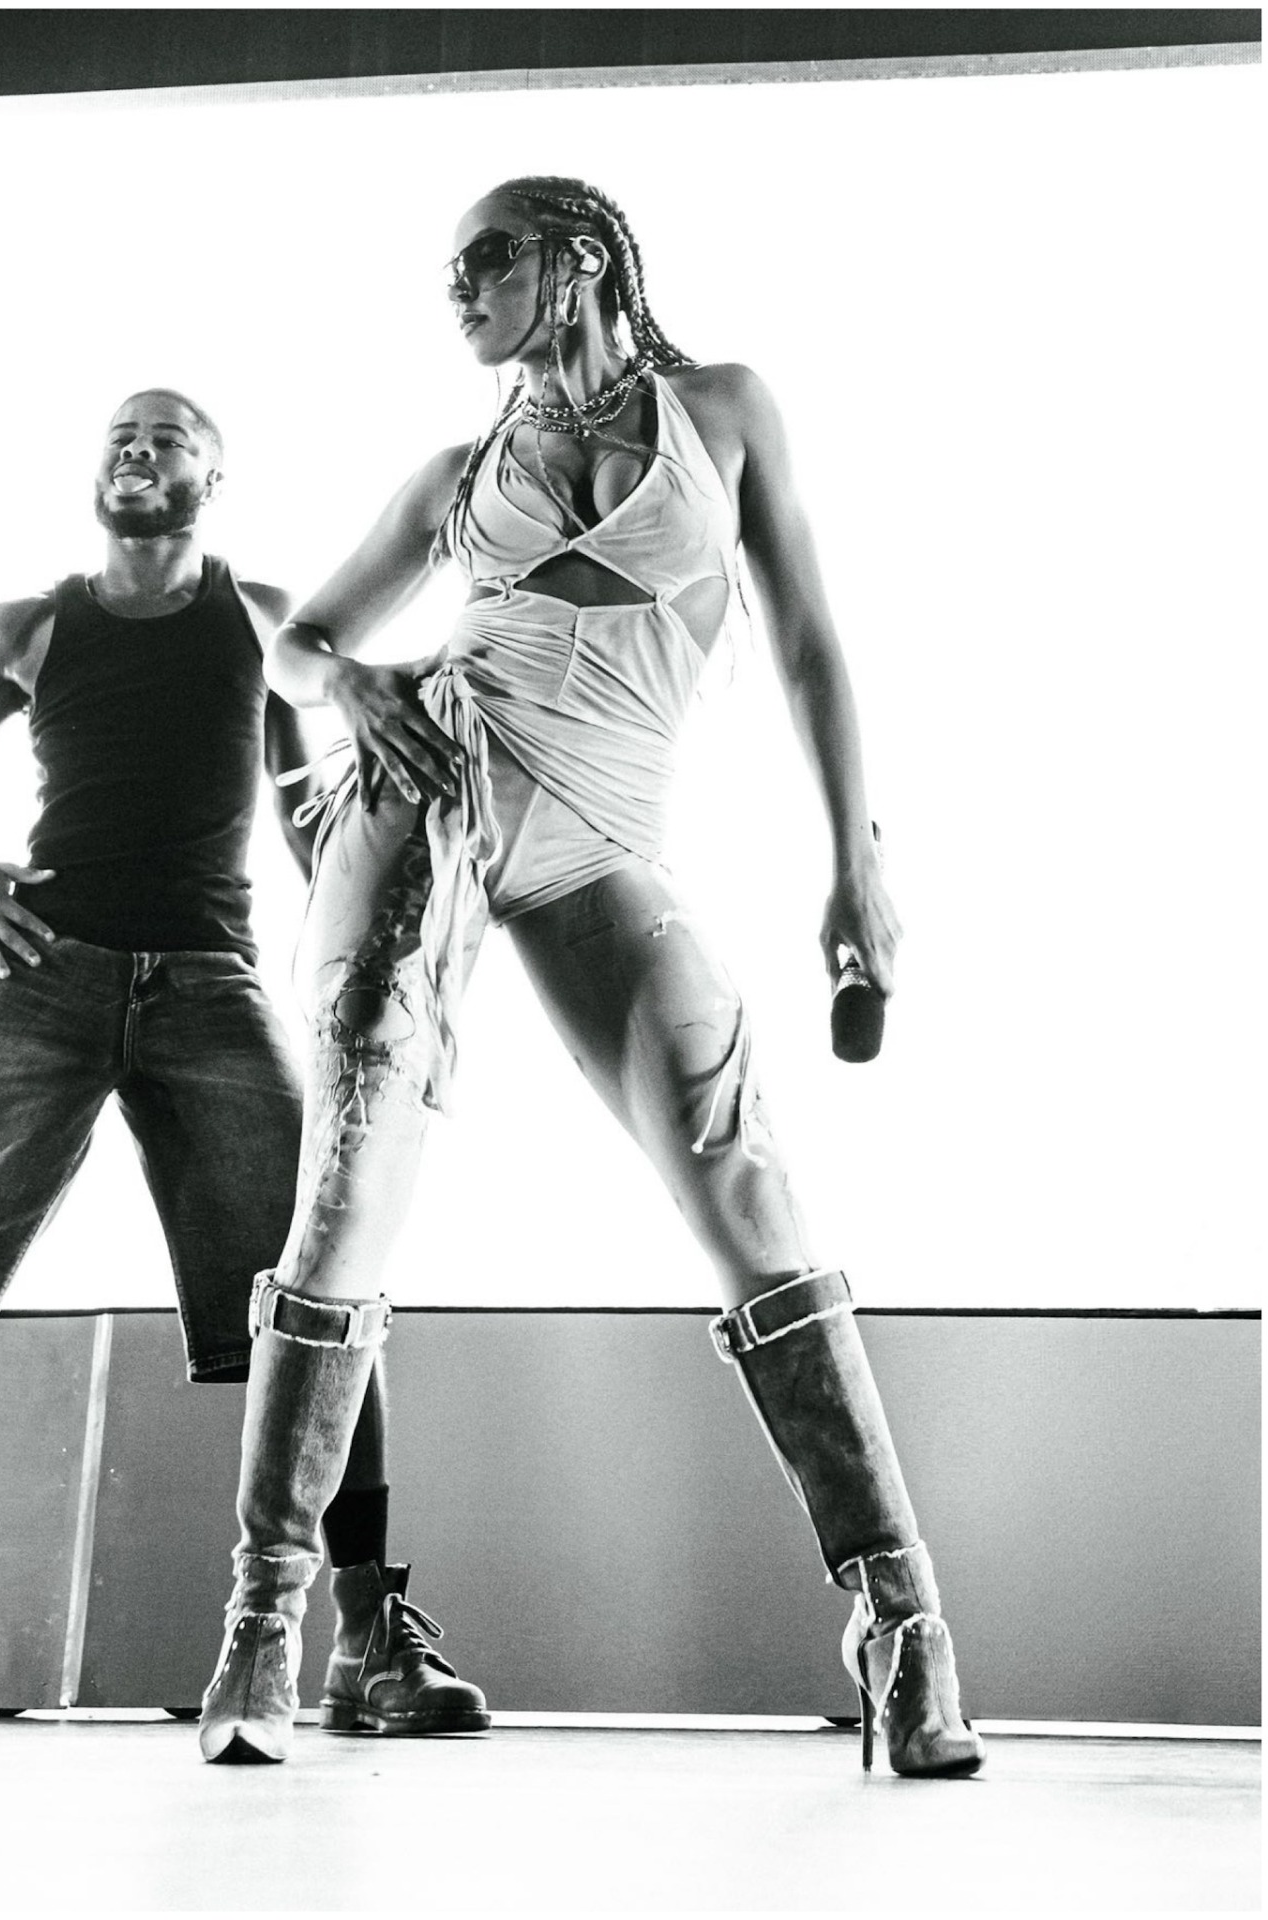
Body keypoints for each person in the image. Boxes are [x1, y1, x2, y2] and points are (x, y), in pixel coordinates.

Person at [197, 178, 985, 1778]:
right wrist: (353, 684)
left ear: (581, 256)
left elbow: (810, 645)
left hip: (603, 834)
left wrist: (857, 861)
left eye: (487, 257)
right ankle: (263, 1627)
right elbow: (297, 645)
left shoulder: (725, 413)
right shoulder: (455, 473)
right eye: (448, 270)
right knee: (348, 1195)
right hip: (427, 801)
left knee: (741, 1173)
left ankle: (902, 1626)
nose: (459, 288)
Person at [0, 388, 487, 1749]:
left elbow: (302, 798)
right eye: (120, 437)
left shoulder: (259, 619)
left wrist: (377, 913)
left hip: (210, 980)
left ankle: (370, 1630)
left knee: (319, 1278)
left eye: (168, 436)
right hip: (46, 970)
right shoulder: (24, 629)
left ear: (214, 475)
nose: (138, 449)